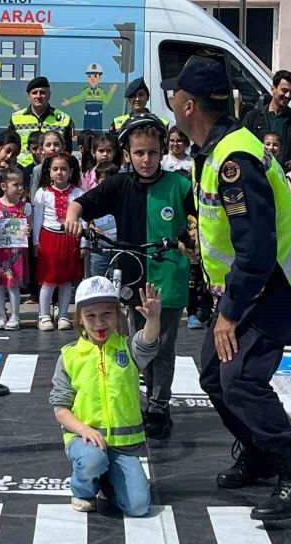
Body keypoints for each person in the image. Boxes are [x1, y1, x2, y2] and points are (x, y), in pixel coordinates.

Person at [162, 55, 291, 520]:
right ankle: (258, 454)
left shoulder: (234, 157)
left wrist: (229, 314)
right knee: (213, 373)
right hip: (250, 284)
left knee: (241, 380)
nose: (171, 100)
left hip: (277, 285)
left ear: (188, 105)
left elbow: (256, 250)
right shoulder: (214, 148)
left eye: (175, 94)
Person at [65, 114, 193, 439]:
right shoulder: (119, 184)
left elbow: (202, 220)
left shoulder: (180, 185)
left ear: (162, 150)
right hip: (132, 274)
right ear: (127, 154)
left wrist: (192, 238)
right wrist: (72, 215)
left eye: (152, 152)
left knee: (162, 344)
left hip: (167, 276)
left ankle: (159, 406)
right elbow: (83, 202)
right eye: (139, 153)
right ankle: (140, 400)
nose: (146, 160)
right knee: (138, 342)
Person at [49, 276, 160, 517]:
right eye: (90, 316)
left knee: (139, 507)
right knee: (92, 459)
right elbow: (60, 409)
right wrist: (84, 430)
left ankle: (107, 481)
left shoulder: (128, 348)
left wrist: (153, 319)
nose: (99, 322)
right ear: (80, 318)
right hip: (86, 441)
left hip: (124, 447)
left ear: (118, 314)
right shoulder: (69, 357)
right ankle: (83, 490)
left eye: (107, 314)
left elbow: (148, 341)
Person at [33, 153, 85, 330]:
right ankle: (44, 315)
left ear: (70, 172)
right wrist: (35, 242)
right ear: (49, 171)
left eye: (64, 169)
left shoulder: (78, 193)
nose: (59, 173)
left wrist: (83, 243)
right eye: (55, 169)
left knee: (66, 281)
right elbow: (38, 219)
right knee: (48, 280)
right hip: (48, 238)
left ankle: (63, 315)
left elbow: (82, 220)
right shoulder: (43, 193)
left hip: (70, 240)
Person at [0, 167, 32, 330]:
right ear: (3, 186)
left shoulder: (25, 208)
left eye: (21, 185)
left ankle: (15, 316)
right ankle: (1, 315)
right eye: (15, 184)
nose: (19, 188)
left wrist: (27, 230)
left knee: (13, 284)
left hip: (16, 252)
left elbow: (29, 227)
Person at [242, 69, 291, 168]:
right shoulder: (253, 117)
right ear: (273, 89)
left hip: (284, 176)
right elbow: (243, 145)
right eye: (284, 90)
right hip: (258, 174)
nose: (288, 95)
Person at [10, 76, 74, 166]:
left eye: (42, 92)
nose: (38, 96)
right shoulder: (15, 118)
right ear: (28, 96)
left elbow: (67, 150)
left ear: (49, 95)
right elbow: (10, 147)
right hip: (22, 171)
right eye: (34, 93)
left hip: (52, 170)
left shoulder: (64, 119)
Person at [61, 63, 117, 132]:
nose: (92, 78)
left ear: (100, 78)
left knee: (98, 134)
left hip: (98, 116)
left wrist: (111, 91)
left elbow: (106, 100)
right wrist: (69, 101)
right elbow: (79, 97)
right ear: (87, 78)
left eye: (95, 76)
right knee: (86, 134)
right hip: (88, 116)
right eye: (90, 76)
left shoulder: (100, 91)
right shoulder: (86, 91)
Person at [87, 161, 119, 279]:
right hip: (100, 245)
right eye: (103, 181)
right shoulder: (93, 197)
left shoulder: (123, 197)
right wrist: (91, 225)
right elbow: (87, 218)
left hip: (119, 244)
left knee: (118, 279)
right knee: (99, 279)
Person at [29, 130, 66, 202]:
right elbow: (34, 197)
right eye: (48, 145)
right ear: (42, 149)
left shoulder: (69, 168)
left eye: (56, 144)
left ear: (63, 147)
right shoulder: (38, 170)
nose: (52, 148)